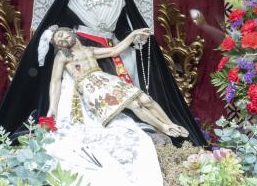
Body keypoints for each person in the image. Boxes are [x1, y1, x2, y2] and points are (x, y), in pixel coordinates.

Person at [0, 0, 205, 146]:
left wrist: (133, 36)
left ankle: (164, 126)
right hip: (85, 47)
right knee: (117, 101)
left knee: (138, 98)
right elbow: (61, 38)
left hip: (109, 48)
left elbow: (123, 31)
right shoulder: (76, 0)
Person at [46, 26, 189, 138]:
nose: (62, 40)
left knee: (146, 100)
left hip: (105, 79)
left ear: (70, 31)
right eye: (59, 41)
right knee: (135, 105)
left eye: (61, 35)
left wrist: (133, 34)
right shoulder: (63, 55)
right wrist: (52, 108)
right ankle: (163, 128)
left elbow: (115, 50)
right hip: (91, 86)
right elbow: (55, 81)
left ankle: (171, 125)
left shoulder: (89, 49)